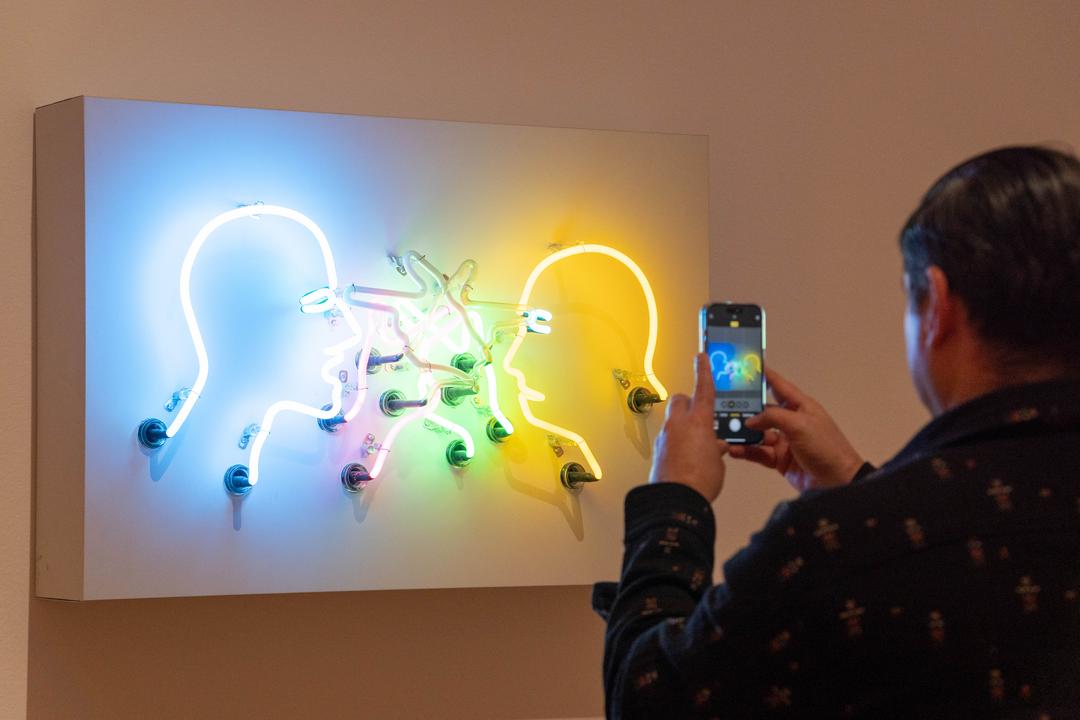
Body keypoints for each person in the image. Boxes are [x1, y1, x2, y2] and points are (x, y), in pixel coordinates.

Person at [594, 145, 1080, 718]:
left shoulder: (835, 546)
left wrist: (674, 502)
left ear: (938, 307)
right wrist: (856, 482)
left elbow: (649, 699)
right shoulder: (870, 535)